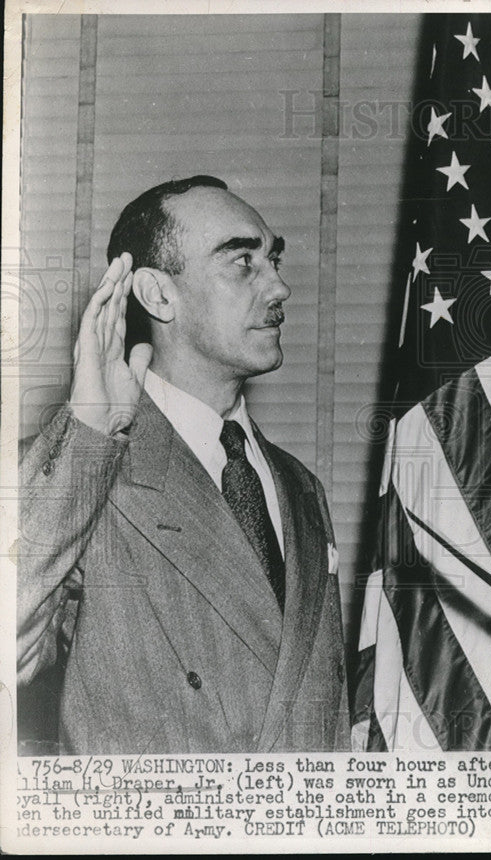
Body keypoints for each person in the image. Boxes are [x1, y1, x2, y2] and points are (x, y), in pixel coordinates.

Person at [17, 176, 349, 753]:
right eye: (242, 261)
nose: (280, 286)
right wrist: (89, 432)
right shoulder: (87, 469)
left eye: (273, 259)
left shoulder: (301, 488)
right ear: (159, 294)